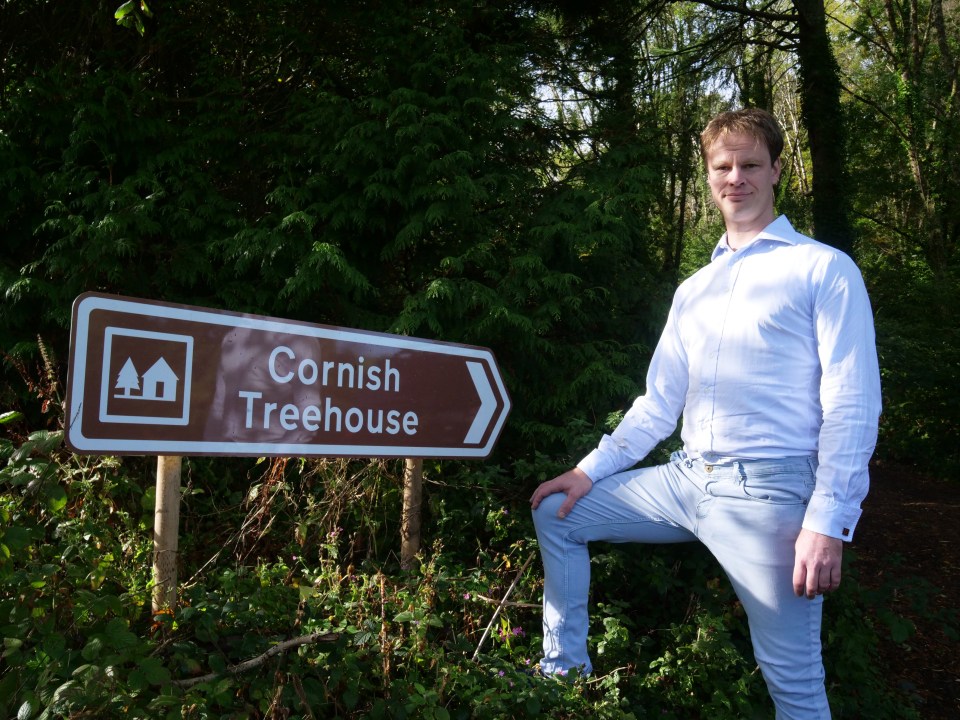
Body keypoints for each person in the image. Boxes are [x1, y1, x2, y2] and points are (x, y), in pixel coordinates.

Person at [529, 108, 881, 719]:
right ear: (708, 176)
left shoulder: (822, 269)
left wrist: (829, 522)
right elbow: (658, 405)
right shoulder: (694, 289)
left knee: (793, 683)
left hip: (770, 494)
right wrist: (587, 472)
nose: (735, 177)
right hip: (686, 479)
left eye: (750, 164)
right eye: (723, 166)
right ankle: (562, 680)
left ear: (776, 171)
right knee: (560, 516)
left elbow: (852, 404)